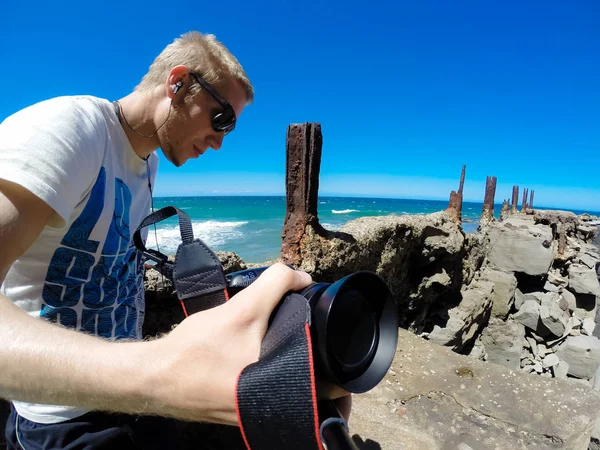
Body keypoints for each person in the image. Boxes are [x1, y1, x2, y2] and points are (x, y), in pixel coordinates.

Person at [0, 31, 349, 449]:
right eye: (222, 119)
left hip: (128, 393)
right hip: (60, 415)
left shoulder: (144, 164)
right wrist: (163, 375)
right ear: (178, 82)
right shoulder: (69, 129)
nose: (221, 142)